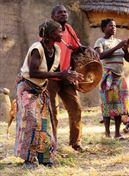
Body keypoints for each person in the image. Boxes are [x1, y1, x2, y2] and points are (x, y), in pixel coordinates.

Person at [15, 20, 83, 167]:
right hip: (27, 87)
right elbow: (33, 72)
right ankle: (29, 159)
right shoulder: (37, 48)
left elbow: (53, 70)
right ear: (51, 34)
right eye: (59, 31)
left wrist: (70, 74)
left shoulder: (56, 49)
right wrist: (61, 74)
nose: (61, 33)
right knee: (32, 122)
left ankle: (45, 157)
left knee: (45, 122)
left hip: (41, 88)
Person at [48, 5, 94, 152]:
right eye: (59, 12)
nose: (63, 14)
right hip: (51, 77)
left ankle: (75, 143)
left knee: (76, 108)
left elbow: (77, 47)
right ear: (53, 16)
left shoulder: (68, 29)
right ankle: (52, 144)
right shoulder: (48, 30)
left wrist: (88, 48)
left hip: (67, 76)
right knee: (52, 112)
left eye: (65, 12)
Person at [94, 18, 129, 140]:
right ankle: (107, 133)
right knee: (107, 104)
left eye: (115, 26)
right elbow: (100, 56)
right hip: (107, 76)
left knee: (119, 106)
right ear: (104, 28)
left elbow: (127, 59)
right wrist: (118, 47)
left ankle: (117, 133)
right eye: (110, 26)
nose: (114, 28)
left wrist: (125, 49)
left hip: (120, 77)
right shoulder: (100, 41)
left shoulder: (118, 41)